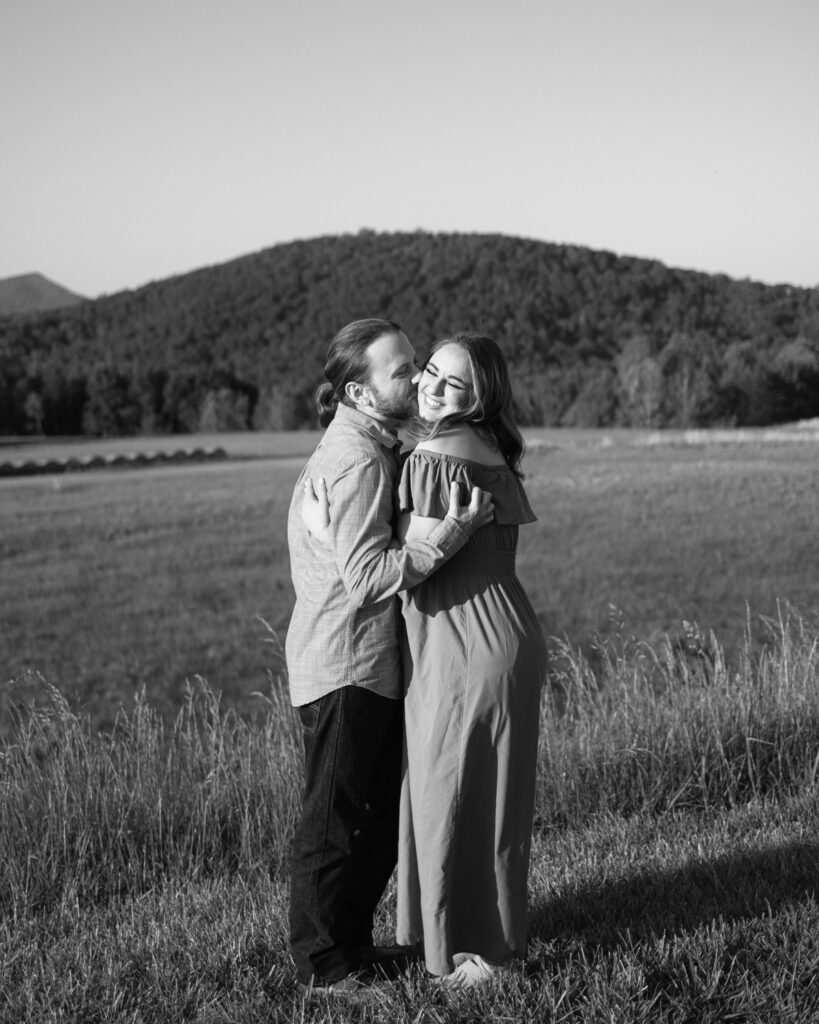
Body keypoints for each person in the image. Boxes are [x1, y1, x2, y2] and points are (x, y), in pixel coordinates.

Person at [303, 332, 546, 987]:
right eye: (427, 371)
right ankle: (484, 942)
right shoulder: (484, 443)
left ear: (479, 396)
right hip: (498, 634)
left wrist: (327, 530)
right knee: (486, 796)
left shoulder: (434, 451)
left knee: (450, 796)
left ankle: (462, 953)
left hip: (463, 644)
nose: (428, 386)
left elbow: (392, 558)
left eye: (450, 383)